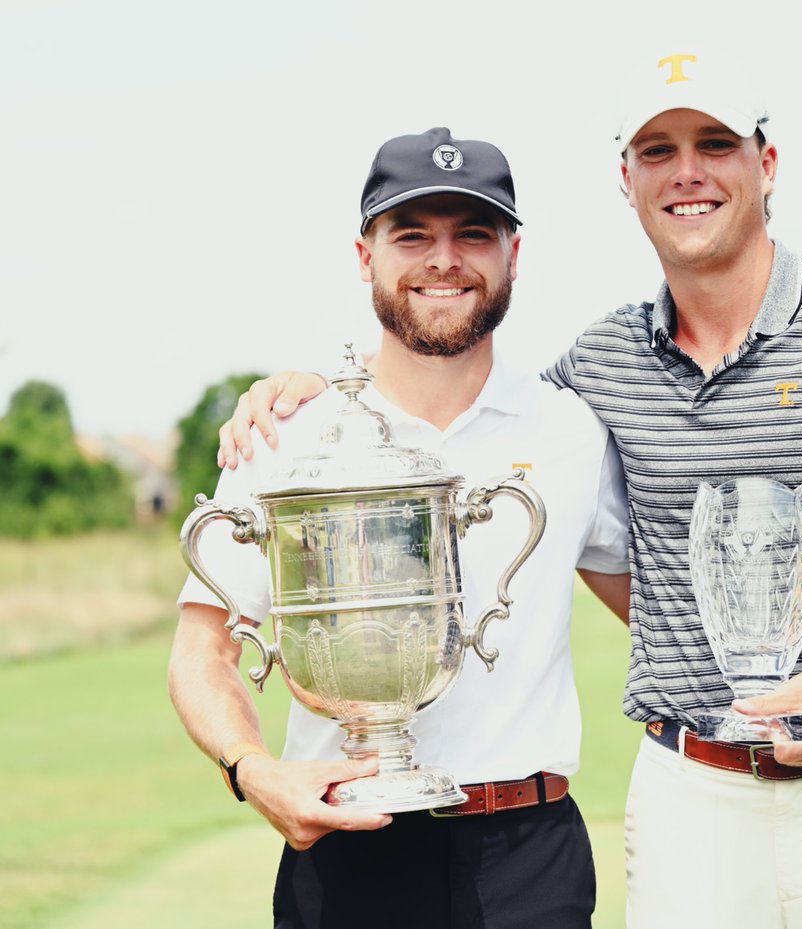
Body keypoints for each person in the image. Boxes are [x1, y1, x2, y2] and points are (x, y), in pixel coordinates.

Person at [217, 52, 802, 929]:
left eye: (715, 144)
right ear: (626, 179)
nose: (687, 172)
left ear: (766, 165)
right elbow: (454, 386)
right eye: (658, 151)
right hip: (691, 800)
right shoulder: (597, 372)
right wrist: (319, 395)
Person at [169, 127, 631, 929]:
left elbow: (654, 611)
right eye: (412, 234)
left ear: (513, 253)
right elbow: (201, 648)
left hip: (530, 855)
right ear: (364, 255)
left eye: (473, 233)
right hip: (346, 851)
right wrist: (251, 768)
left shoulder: (572, 430)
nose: (443, 259)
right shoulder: (284, 433)